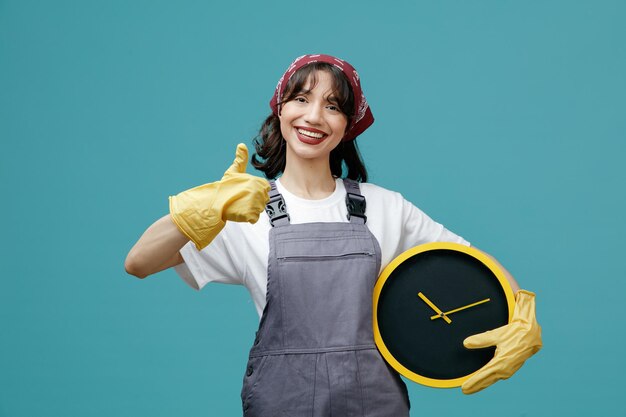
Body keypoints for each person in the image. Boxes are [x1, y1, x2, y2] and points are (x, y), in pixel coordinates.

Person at [125, 54, 542, 416]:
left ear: (348, 125)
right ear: (280, 110)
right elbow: (139, 263)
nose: (313, 117)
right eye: (301, 99)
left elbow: (474, 265)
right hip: (280, 405)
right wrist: (198, 211)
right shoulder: (243, 208)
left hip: (374, 406)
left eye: (332, 106)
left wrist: (522, 313)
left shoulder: (384, 207)